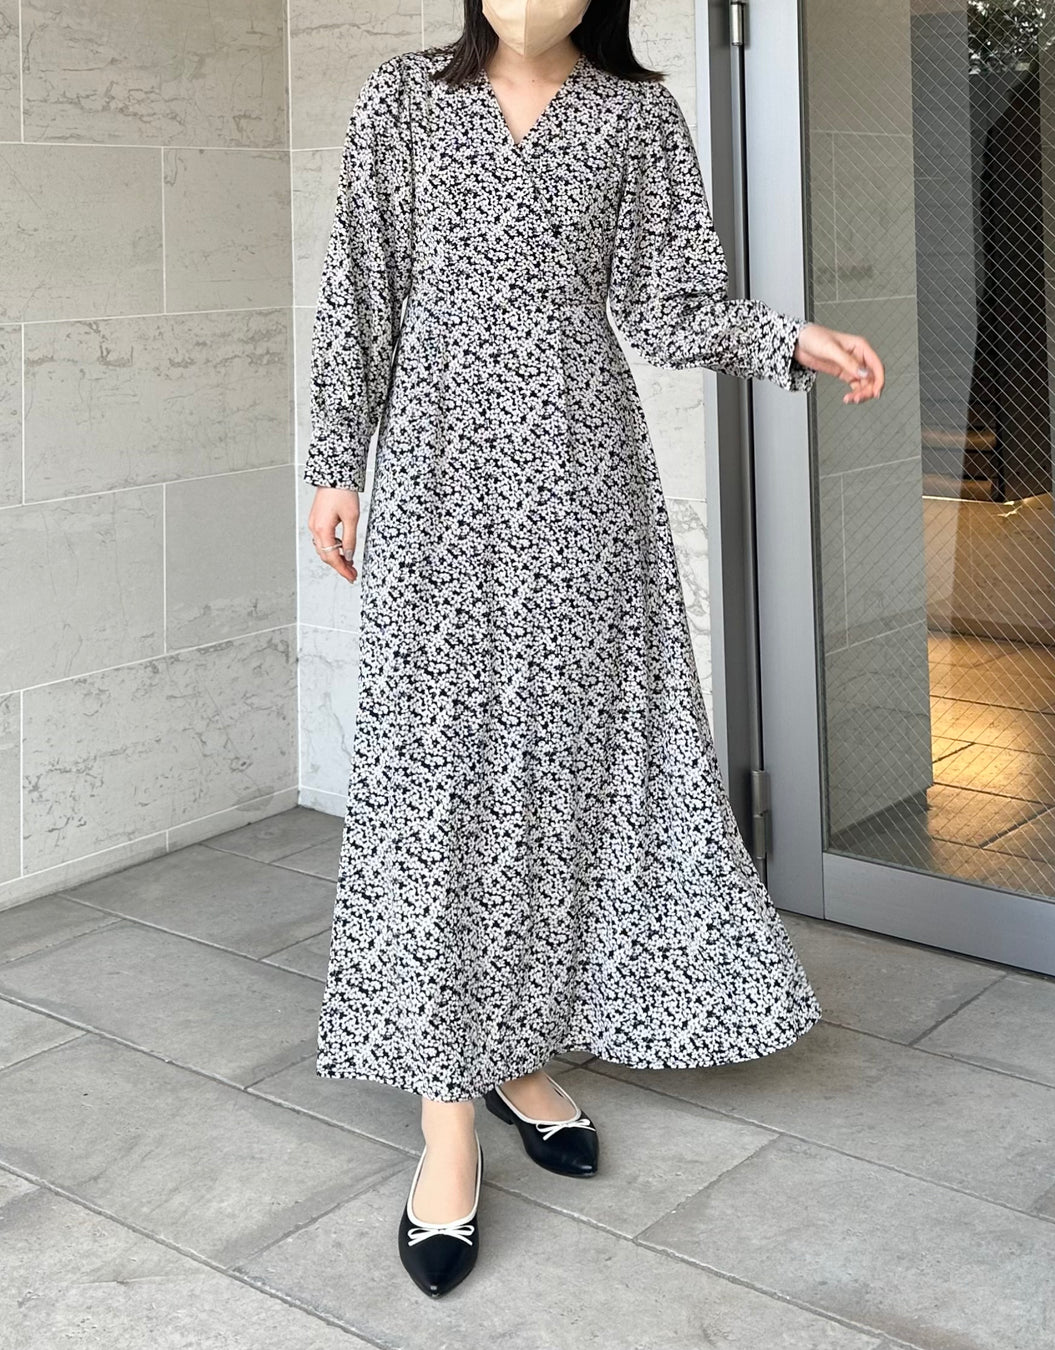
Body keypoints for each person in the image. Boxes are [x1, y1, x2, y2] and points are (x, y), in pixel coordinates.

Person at [303, 0, 885, 1301]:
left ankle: (516, 1053)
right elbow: (359, 288)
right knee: (443, 790)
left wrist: (784, 340)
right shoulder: (402, 101)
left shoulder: (635, 115)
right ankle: (447, 1119)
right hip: (442, 494)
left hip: (585, 496)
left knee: (564, 784)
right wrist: (337, 460)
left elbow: (671, 305)